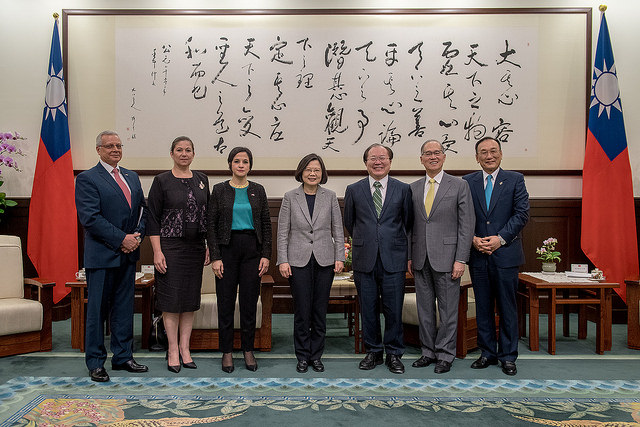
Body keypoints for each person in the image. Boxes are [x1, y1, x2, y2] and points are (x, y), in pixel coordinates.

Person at [75, 130, 148, 382]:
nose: (115, 149)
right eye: (109, 146)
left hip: (128, 255)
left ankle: (123, 357)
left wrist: (136, 237)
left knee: (124, 309)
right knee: (97, 311)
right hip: (102, 256)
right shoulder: (87, 178)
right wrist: (121, 239)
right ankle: (96, 362)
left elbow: (143, 211)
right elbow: (90, 218)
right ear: (99, 150)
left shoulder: (131, 176)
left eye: (118, 145)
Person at [343, 143, 413, 374]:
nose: (378, 162)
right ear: (366, 163)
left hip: (394, 257)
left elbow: (407, 223)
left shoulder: (403, 189)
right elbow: (350, 222)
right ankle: (373, 351)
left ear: (390, 162)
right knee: (368, 307)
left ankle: (394, 353)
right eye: (373, 158)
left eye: (382, 158)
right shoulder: (354, 189)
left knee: (394, 308)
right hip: (365, 258)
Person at [463, 136, 530, 376]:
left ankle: (508, 356)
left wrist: (500, 239)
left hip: (506, 254)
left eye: (493, 151)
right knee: (483, 307)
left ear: (501, 154)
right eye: (484, 152)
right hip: (478, 254)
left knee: (507, 307)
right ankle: (487, 353)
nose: (489, 156)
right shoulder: (467, 182)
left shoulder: (515, 179)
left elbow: (521, 214)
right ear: (477, 157)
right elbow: (462, 215)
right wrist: (472, 238)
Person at [408, 140, 475, 374]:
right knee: (424, 309)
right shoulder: (413, 188)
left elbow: (466, 226)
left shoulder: (459, 185)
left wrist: (461, 259)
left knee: (448, 311)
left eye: (437, 153)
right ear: (421, 159)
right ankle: (428, 352)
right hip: (420, 258)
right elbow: (409, 226)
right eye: (428, 153)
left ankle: (445, 354)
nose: (433, 157)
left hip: (448, 259)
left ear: (444, 157)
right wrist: (409, 256)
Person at [147, 136, 210, 373]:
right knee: (171, 301)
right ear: (172, 153)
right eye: (179, 150)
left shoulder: (202, 179)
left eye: (188, 150)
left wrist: (208, 245)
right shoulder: (161, 181)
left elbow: (207, 215)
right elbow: (153, 218)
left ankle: (185, 348)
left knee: (189, 301)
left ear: (194, 154)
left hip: (195, 248)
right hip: (170, 248)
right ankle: (172, 349)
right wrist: (157, 251)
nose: (184, 154)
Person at [277, 153, 345, 373]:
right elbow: (282, 232)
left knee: (319, 310)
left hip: (325, 260)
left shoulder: (330, 196)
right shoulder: (290, 197)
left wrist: (340, 257)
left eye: (316, 170)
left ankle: (316, 355)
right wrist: (283, 260)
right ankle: (302, 356)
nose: (312, 173)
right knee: (302, 310)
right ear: (301, 172)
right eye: (308, 169)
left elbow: (338, 230)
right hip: (297, 260)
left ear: (322, 173)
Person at [207, 146, 271, 373]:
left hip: (252, 250)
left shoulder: (258, 190)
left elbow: (266, 224)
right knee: (225, 303)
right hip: (227, 250)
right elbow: (211, 226)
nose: (241, 165)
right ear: (230, 165)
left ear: (250, 165)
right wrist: (215, 257)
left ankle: (247, 349)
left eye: (245, 161)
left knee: (249, 303)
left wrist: (266, 255)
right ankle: (226, 351)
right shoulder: (219, 190)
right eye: (237, 161)